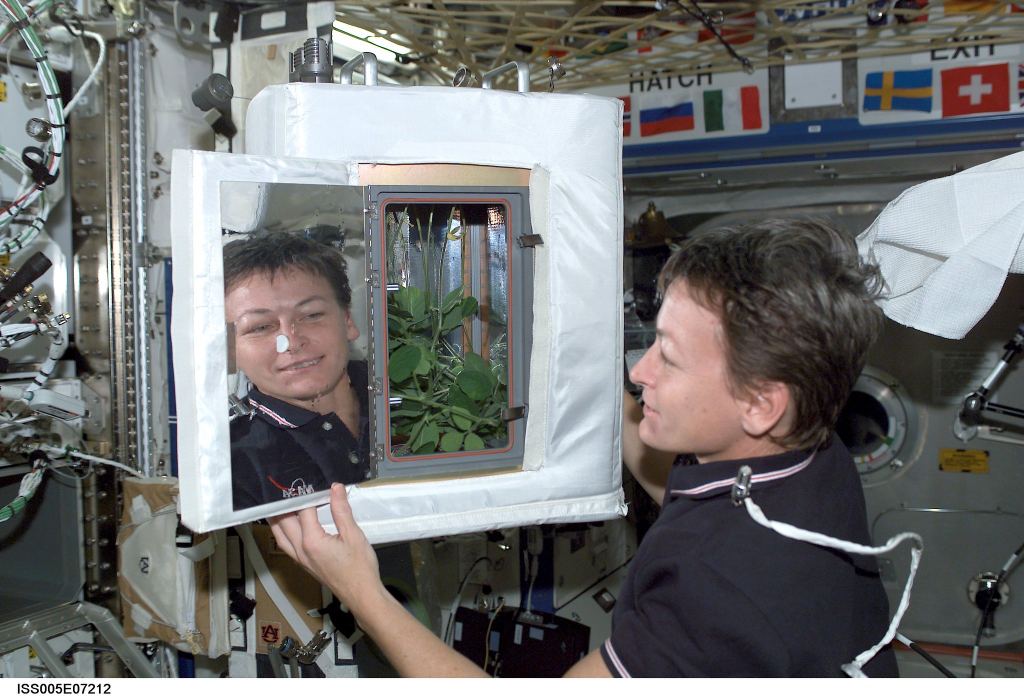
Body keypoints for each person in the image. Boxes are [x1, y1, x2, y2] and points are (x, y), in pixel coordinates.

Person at [269, 219, 898, 677]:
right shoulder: (811, 455)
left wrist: (362, 592)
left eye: (670, 358)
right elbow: (693, 499)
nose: (641, 372)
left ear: (762, 403)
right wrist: (573, 341)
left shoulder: (715, 591)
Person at [224, 232, 372, 511]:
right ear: (230, 351)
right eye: (260, 327)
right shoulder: (231, 462)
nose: (291, 342)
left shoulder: (412, 401)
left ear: (348, 321)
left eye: (311, 315)